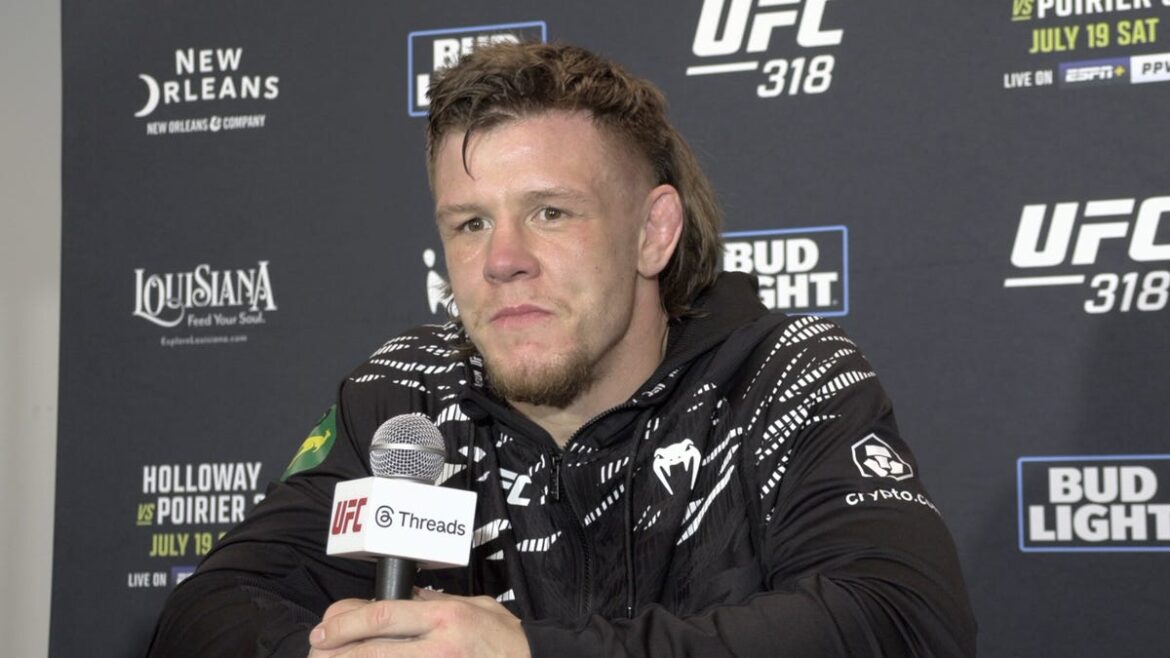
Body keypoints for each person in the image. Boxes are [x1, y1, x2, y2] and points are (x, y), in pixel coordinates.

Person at [148, 42, 977, 657]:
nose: (502, 259)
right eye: (470, 223)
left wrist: (527, 654)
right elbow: (209, 614)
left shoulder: (781, 378)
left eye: (550, 213)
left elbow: (903, 622)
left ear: (652, 232)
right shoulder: (403, 399)